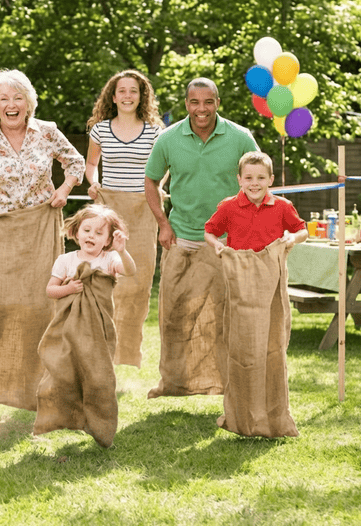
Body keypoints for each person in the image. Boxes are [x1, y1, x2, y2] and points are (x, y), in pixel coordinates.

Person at [0, 68, 85, 411]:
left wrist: (64, 190)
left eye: (18, 97)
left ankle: (41, 387)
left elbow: (75, 162)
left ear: (29, 103)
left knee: (40, 306)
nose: (11, 104)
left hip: (40, 229)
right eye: (4, 99)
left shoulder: (47, 132)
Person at [144, 77, 259, 399]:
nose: (201, 109)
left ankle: (228, 384)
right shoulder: (168, 139)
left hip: (226, 243)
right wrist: (162, 224)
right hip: (182, 238)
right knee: (174, 316)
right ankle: (172, 383)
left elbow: (257, 184)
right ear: (186, 105)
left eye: (208, 102)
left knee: (225, 317)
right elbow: (151, 182)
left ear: (218, 103)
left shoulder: (240, 138)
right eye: (195, 102)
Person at [204, 151, 308, 437]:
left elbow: (302, 230)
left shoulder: (282, 206)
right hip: (240, 283)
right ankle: (241, 415)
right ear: (239, 179)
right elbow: (210, 230)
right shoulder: (228, 206)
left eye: (261, 177)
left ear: (270, 180)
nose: (254, 183)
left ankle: (273, 415)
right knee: (242, 345)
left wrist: (291, 238)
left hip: (270, 284)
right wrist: (217, 246)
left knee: (272, 343)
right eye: (248, 177)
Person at [34, 204, 136, 448]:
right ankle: (58, 419)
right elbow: (51, 290)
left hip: (98, 333)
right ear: (76, 232)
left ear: (109, 239)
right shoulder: (66, 260)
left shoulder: (109, 259)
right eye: (87, 229)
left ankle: (99, 424)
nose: (91, 235)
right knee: (64, 374)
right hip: (68, 330)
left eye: (99, 233)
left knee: (98, 377)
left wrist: (123, 252)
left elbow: (130, 271)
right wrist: (69, 289)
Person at [85, 69, 164, 368]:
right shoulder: (101, 130)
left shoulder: (156, 132)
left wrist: (158, 189)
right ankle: (102, 347)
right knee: (106, 277)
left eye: (134, 91)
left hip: (143, 212)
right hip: (110, 207)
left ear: (141, 96)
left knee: (137, 281)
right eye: (123, 91)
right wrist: (92, 181)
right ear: (113, 96)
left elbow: (161, 169)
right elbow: (91, 163)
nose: (128, 96)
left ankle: (129, 354)